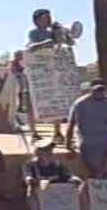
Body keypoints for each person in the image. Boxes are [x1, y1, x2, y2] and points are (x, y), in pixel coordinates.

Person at [66, 78, 107, 179]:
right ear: (90, 89)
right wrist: (68, 145)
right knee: (95, 173)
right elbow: (71, 124)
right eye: (96, 90)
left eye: (102, 89)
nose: (99, 92)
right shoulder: (80, 103)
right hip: (88, 141)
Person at [26, 9, 65, 144]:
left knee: (56, 101)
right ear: (37, 21)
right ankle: (34, 132)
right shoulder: (34, 33)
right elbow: (31, 48)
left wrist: (59, 32)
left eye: (49, 18)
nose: (48, 20)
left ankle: (57, 131)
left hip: (51, 71)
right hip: (37, 72)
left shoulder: (52, 33)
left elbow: (65, 43)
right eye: (45, 18)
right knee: (32, 102)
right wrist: (45, 43)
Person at [23, 139, 81, 210]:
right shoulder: (30, 165)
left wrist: (74, 178)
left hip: (55, 196)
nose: (49, 152)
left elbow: (68, 175)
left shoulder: (57, 164)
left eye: (50, 149)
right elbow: (28, 179)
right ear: (38, 152)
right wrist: (39, 182)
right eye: (45, 150)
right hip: (38, 196)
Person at [10, 50, 42, 141]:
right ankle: (31, 130)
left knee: (30, 110)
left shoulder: (27, 65)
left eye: (21, 56)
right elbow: (12, 74)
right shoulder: (13, 65)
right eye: (18, 56)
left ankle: (33, 131)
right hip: (18, 91)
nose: (20, 57)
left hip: (27, 91)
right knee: (20, 109)